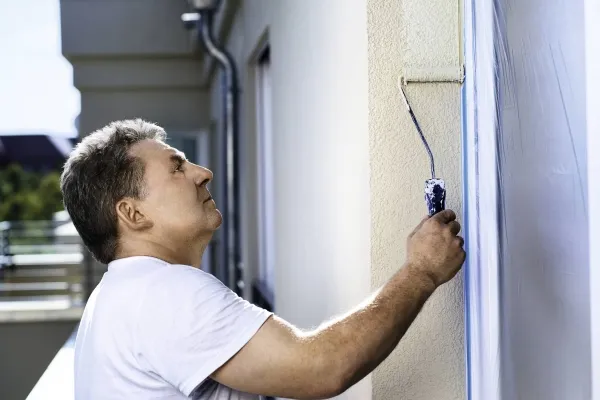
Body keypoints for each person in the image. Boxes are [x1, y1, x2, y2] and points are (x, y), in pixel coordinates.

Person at [61, 119, 466, 400]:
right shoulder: (165, 292)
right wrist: (421, 272)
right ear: (133, 214)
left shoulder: (114, 297)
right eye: (177, 168)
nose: (203, 172)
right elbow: (323, 368)